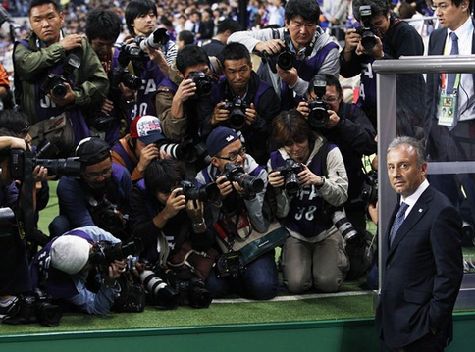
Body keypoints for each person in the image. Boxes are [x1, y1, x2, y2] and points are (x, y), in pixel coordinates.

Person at [376, 136, 463, 351]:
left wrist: (432, 323)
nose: (395, 174)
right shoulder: (403, 202)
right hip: (394, 328)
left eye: (404, 166)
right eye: (391, 167)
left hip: (420, 334)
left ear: (423, 168)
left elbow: (450, 274)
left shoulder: (441, 211)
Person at [267, 111, 349, 293]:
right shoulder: (275, 160)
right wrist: (278, 190)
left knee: (327, 283)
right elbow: (281, 213)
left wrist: (319, 181)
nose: (295, 148)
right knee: (297, 285)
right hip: (296, 231)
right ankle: (292, 260)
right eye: (288, 143)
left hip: (327, 228)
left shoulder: (330, 151)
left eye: (300, 141)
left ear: (309, 137)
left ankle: (344, 252)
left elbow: (342, 195)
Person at [195, 126, 278, 300]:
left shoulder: (258, 173)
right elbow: (205, 235)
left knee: (264, 288)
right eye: (232, 156)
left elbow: (261, 226)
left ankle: (246, 276)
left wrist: (248, 196)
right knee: (212, 288)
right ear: (215, 161)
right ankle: (241, 277)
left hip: (254, 243)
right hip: (223, 248)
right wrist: (216, 202)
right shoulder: (203, 180)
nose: (240, 159)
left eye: (241, 151)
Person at [13, 0, 109, 142]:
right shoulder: (23, 48)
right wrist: (61, 47)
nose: (45, 24)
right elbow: (27, 67)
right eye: (37, 20)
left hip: (75, 128)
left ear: (61, 17)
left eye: (50, 17)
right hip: (36, 134)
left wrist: (75, 96)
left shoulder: (79, 45)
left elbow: (101, 83)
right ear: (31, 24)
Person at [129, 158, 216, 308]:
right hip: (151, 257)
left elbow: (206, 244)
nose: (173, 196)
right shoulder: (140, 193)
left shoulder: (194, 192)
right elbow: (137, 238)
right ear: (153, 191)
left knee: (216, 287)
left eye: (176, 188)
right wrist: (165, 214)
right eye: (165, 192)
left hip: (185, 257)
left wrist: (197, 220)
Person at [296, 74, 377, 232]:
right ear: (307, 99)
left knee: (354, 242)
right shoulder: (303, 115)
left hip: (350, 191)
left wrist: (341, 124)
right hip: (311, 196)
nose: (323, 105)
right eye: (316, 100)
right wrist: (296, 119)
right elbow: (280, 145)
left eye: (329, 99)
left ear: (340, 97)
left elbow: (370, 145)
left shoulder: (351, 113)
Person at [228, 0, 340, 110]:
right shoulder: (276, 35)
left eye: (309, 25)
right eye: (298, 24)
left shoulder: (328, 49)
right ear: (287, 22)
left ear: (316, 24)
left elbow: (326, 95)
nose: (303, 31)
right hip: (275, 108)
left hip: (311, 113)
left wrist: (295, 82)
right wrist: (259, 45)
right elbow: (233, 39)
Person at [425, 0, 475, 234]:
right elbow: (431, 86)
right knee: (442, 192)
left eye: (443, 5)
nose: (438, 12)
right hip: (439, 126)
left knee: (472, 187)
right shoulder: (436, 37)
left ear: (464, 4)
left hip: (469, 124)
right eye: (435, 6)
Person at [340, 0, 425, 130]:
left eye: (379, 23)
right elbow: (347, 72)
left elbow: (409, 77)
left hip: (401, 113)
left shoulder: (405, 33)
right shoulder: (362, 34)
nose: (375, 29)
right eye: (367, 25)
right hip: (369, 111)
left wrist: (380, 56)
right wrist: (347, 51)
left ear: (388, 14)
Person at [210, 42, 281, 165]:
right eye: (232, 71)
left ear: (251, 66)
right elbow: (201, 129)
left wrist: (258, 122)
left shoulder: (265, 93)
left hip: (258, 156)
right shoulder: (216, 89)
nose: (238, 77)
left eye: (243, 70)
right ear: (224, 71)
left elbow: (277, 135)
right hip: (224, 158)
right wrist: (212, 120)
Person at [29, 226, 126, 315]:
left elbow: (117, 242)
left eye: (92, 250)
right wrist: (109, 283)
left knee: (60, 223)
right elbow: (97, 307)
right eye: (90, 261)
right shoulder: (64, 285)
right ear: (76, 273)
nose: (97, 256)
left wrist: (124, 255)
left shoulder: (80, 235)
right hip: (48, 286)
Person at [51, 137, 132, 240]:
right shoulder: (68, 184)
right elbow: (86, 225)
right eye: (94, 174)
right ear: (80, 171)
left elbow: (132, 211)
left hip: (113, 225)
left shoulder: (121, 175)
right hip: (80, 231)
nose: (101, 178)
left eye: (106, 171)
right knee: (60, 224)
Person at [122, 0, 178, 120]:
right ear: (131, 21)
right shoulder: (125, 47)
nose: (149, 20)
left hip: (163, 109)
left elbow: (177, 79)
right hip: (134, 114)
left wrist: (160, 60)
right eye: (142, 16)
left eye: (152, 15)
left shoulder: (169, 45)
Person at [84, 8, 124, 145]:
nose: (105, 49)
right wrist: (94, 101)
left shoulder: (118, 57)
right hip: (84, 125)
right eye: (100, 44)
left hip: (114, 123)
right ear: (89, 39)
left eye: (110, 44)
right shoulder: (78, 58)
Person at [111, 115, 166, 182]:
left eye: (156, 142)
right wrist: (140, 168)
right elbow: (124, 189)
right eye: (146, 144)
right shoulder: (117, 155)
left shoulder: (160, 149)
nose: (152, 148)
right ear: (132, 141)